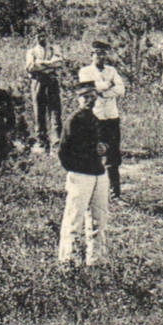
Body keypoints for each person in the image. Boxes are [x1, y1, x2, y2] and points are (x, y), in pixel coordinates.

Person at [57, 81, 110, 267]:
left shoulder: (95, 119)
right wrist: (77, 170)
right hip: (80, 176)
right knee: (74, 219)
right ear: (78, 98)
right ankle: (67, 261)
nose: (89, 100)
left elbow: (103, 143)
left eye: (92, 97)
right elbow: (63, 153)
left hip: (98, 174)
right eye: (85, 97)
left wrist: (103, 148)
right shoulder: (73, 120)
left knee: (99, 220)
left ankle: (96, 261)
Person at [77, 40, 127, 198]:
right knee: (94, 153)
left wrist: (103, 90)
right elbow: (91, 89)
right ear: (91, 55)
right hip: (95, 117)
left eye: (103, 53)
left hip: (111, 116)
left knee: (113, 155)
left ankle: (115, 192)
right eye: (97, 53)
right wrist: (107, 85)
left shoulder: (112, 70)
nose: (101, 57)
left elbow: (121, 90)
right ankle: (94, 193)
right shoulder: (85, 71)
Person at [24, 29, 66, 154]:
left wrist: (41, 64)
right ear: (34, 37)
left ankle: (56, 142)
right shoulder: (31, 51)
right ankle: (42, 142)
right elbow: (31, 66)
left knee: (55, 110)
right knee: (39, 111)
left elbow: (59, 62)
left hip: (52, 82)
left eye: (43, 35)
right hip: (38, 82)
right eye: (38, 36)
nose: (41, 38)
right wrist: (49, 64)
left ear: (47, 36)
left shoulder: (54, 49)